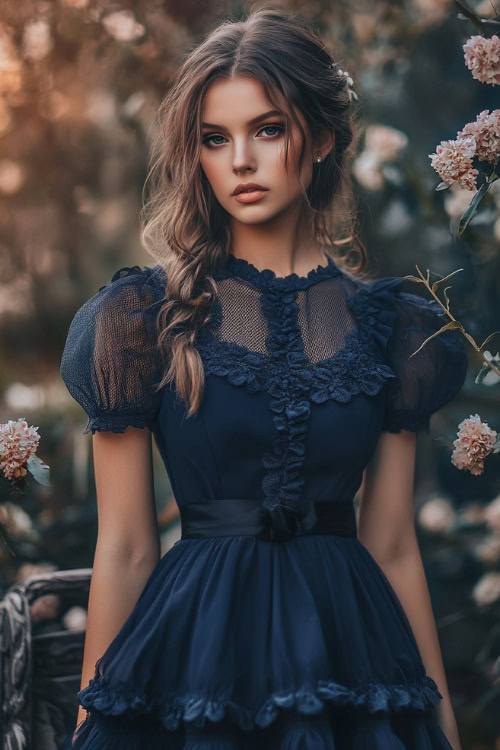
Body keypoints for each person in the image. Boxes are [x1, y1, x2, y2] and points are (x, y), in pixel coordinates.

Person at [58, 6, 468, 749]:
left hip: (352, 660)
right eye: (215, 139)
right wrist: (94, 725)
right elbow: (123, 549)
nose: (240, 160)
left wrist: (442, 729)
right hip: (195, 660)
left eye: (267, 129)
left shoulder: (397, 326)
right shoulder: (140, 319)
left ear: (322, 137)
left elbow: (393, 544)